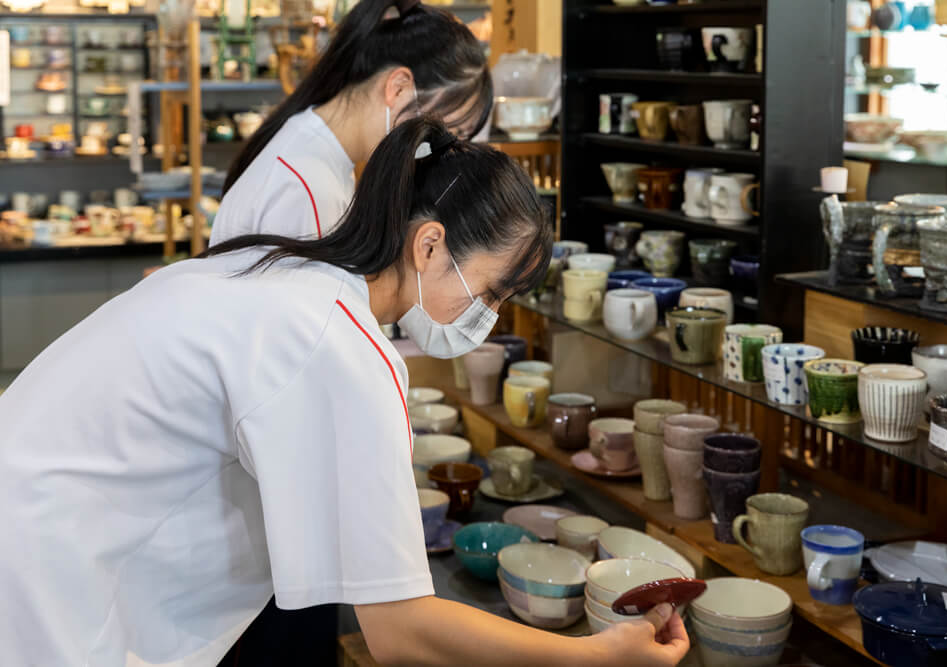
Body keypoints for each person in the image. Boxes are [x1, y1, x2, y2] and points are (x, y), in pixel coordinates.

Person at [0, 118, 689, 666]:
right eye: (489, 290)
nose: (490, 317)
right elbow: (400, 632)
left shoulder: (285, 268)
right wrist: (590, 655)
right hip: (46, 577)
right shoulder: (336, 339)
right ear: (428, 245)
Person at [210, 0, 492, 247]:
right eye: (435, 135)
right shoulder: (308, 187)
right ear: (399, 88)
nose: (428, 151)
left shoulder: (319, 151)